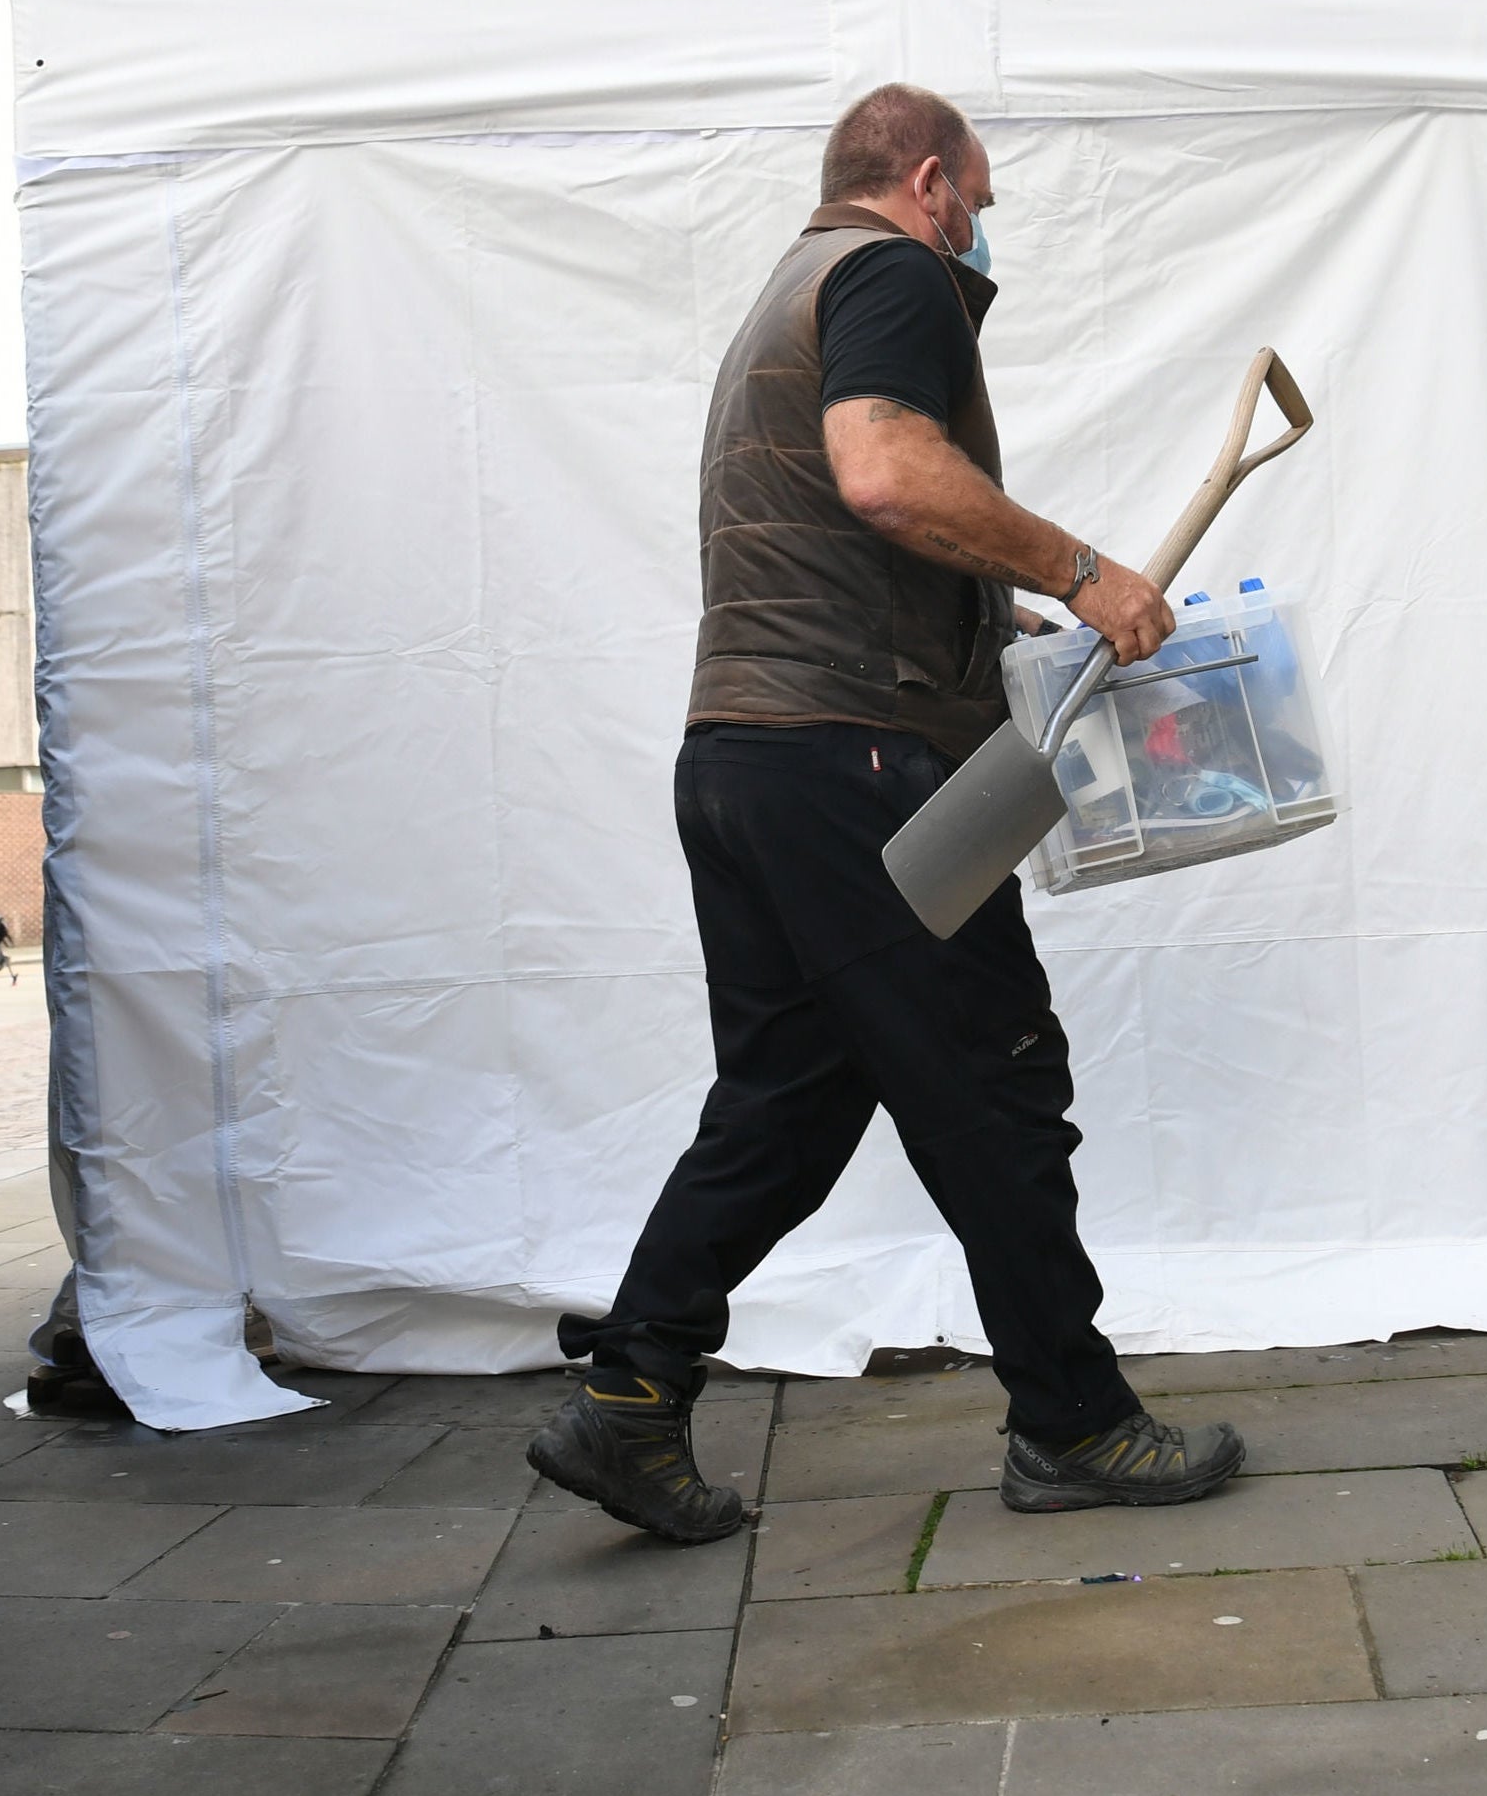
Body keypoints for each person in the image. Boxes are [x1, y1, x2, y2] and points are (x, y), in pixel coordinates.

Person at [528, 84, 1246, 1543]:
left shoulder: (781, 297)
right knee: (993, 1082)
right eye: (973, 201)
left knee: (789, 1099)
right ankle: (1074, 1421)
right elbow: (883, 471)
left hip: (741, 760)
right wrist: (1085, 573)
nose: (977, 231)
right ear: (924, 180)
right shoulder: (889, 273)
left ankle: (630, 1399)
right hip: (852, 762)